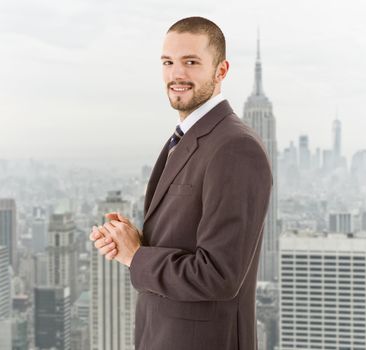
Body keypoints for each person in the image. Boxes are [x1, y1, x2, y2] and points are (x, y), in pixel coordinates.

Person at [90, 16, 273, 350]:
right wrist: (131, 242)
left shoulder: (234, 147)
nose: (176, 74)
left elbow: (218, 275)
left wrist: (136, 257)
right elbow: (186, 239)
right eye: (168, 62)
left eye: (191, 62)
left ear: (221, 71)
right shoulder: (190, 137)